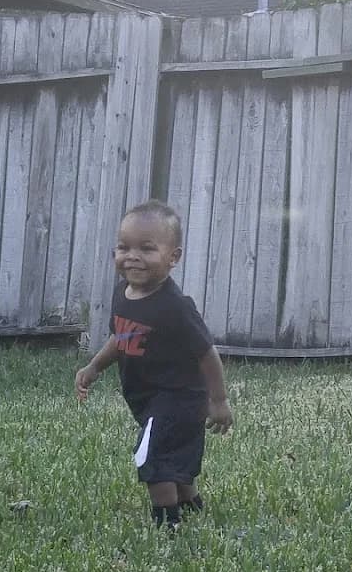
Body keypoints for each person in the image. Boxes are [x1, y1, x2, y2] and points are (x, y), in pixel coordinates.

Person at [75, 200, 233, 530]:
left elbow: (207, 353)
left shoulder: (175, 307)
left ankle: (167, 523)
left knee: (152, 457)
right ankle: (190, 504)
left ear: (173, 257)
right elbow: (121, 337)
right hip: (147, 399)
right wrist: (94, 367)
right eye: (123, 247)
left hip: (179, 398)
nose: (132, 256)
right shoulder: (123, 293)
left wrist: (218, 401)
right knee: (173, 455)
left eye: (147, 249)